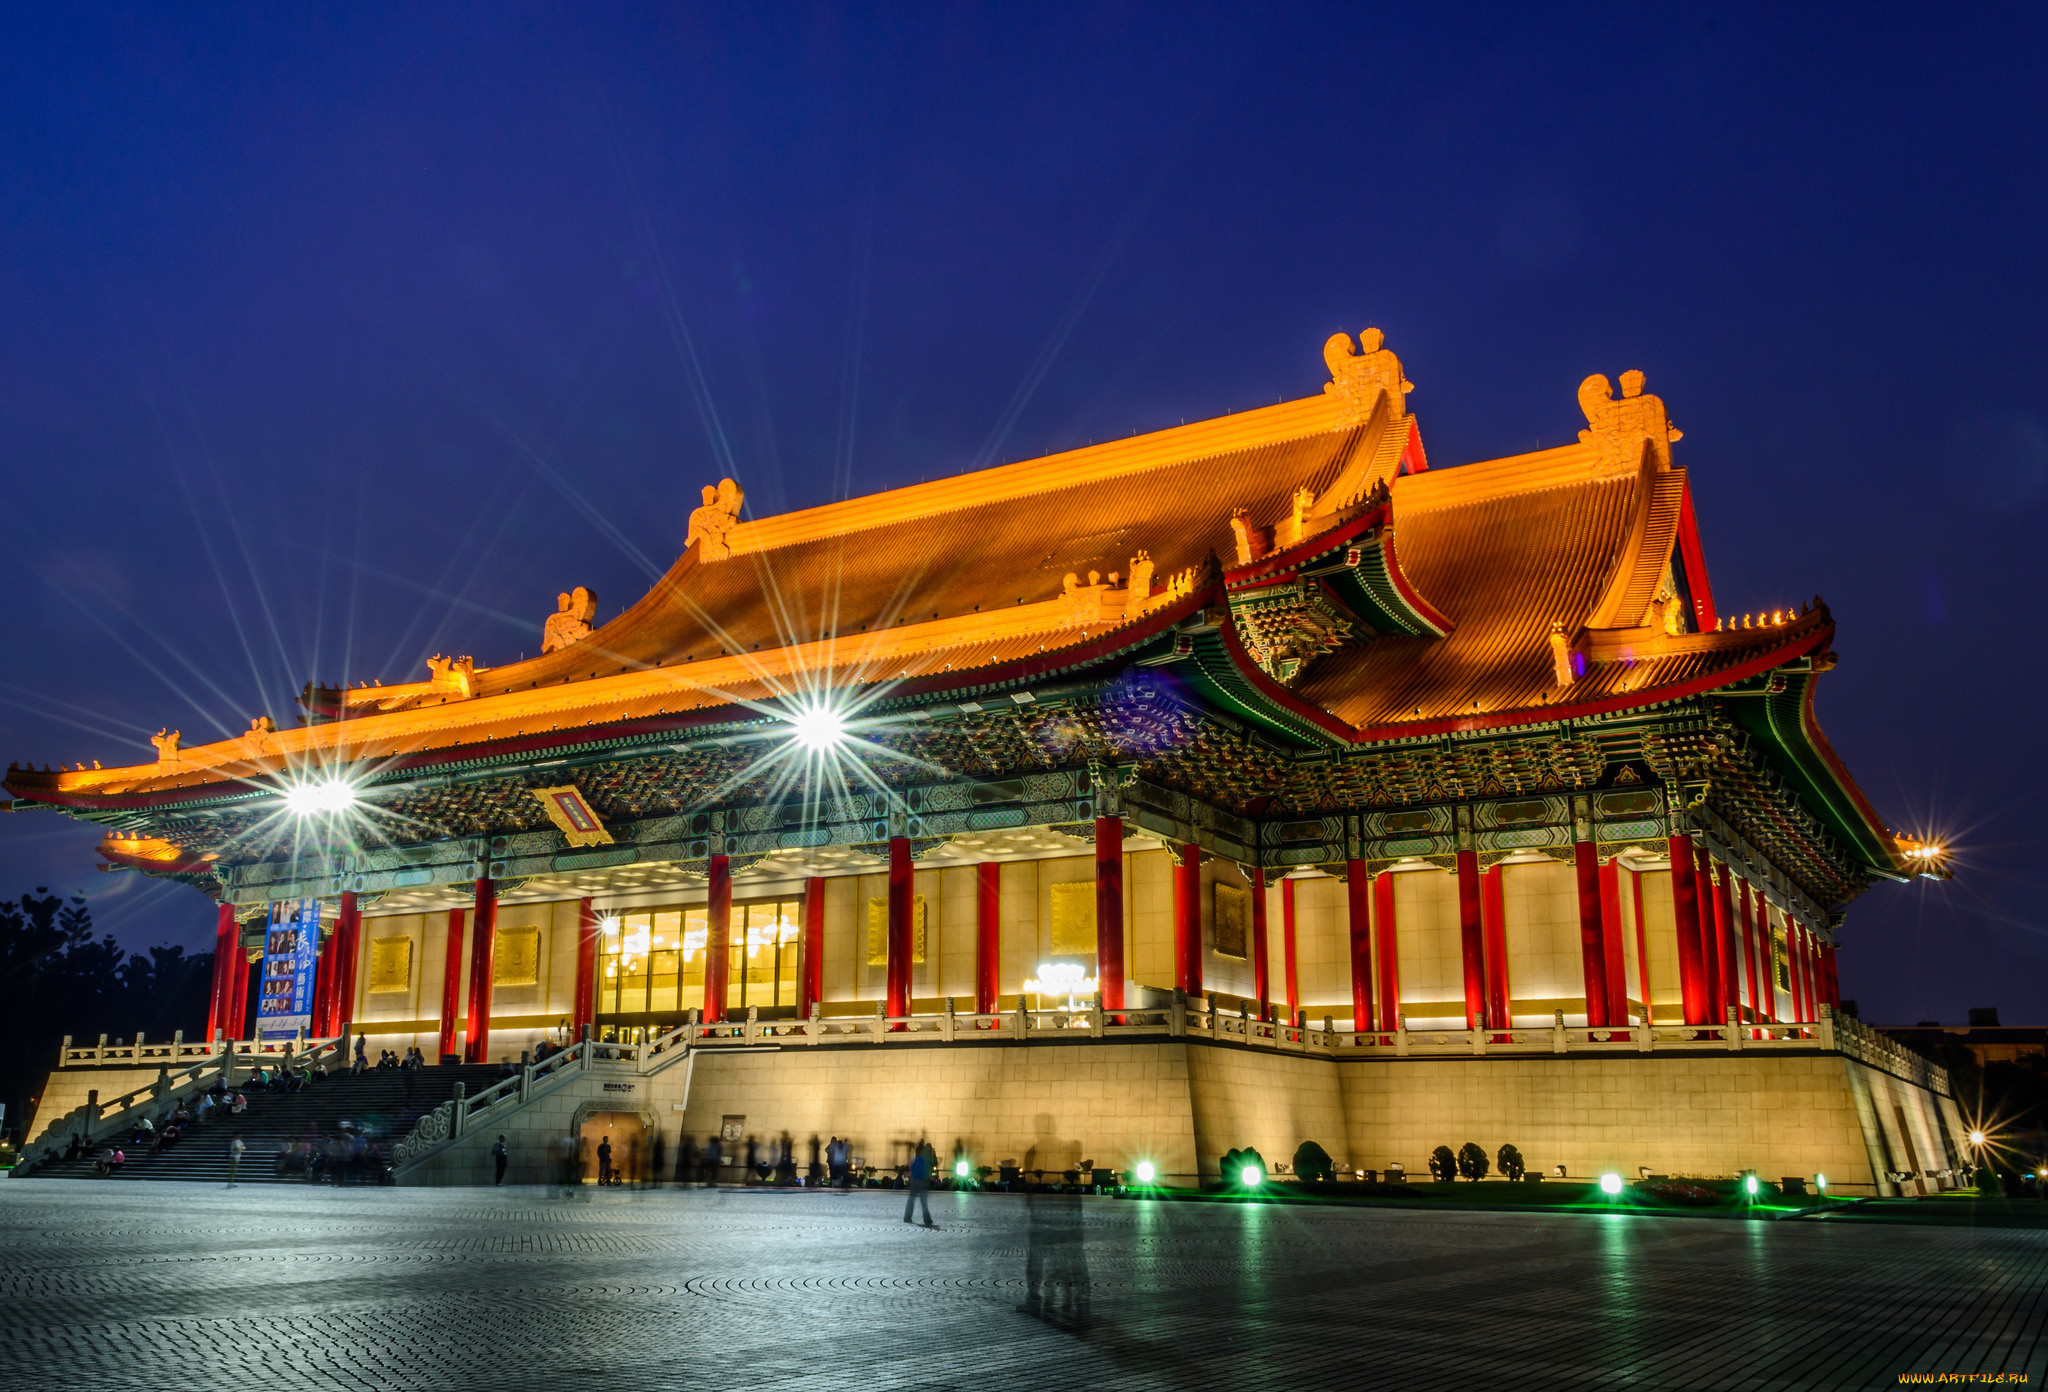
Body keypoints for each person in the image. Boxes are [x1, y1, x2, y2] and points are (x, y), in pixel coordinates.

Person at [903, 1141, 935, 1227]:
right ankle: (927, 1219)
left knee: (911, 1200)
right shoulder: (924, 1160)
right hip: (922, 1182)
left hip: (913, 1181)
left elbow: (908, 1169)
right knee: (924, 1202)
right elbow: (925, 1171)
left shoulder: (913, 1159)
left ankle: (907, 1217)